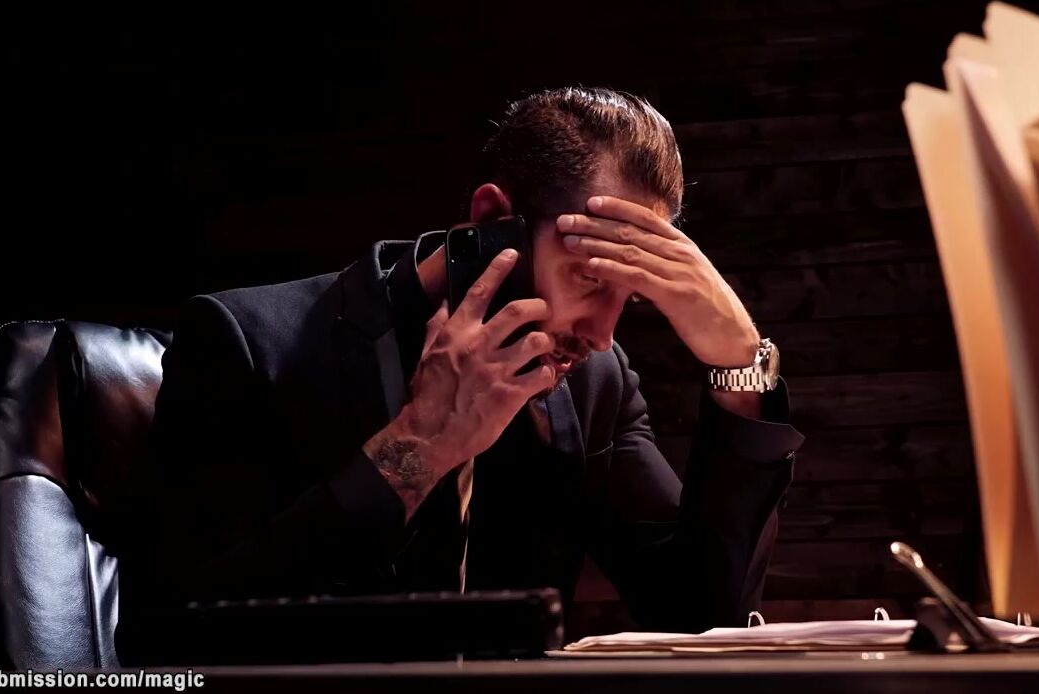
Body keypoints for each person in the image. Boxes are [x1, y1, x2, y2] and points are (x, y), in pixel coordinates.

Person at [118, 87, 804, 661]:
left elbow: (700, 614)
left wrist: (740, 362)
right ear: (493, 221)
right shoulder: (245, 339)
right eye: (590, 279)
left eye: (632, 297)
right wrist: (418, 449)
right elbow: (171, 640)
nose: (602, 335)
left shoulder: (597, 381)